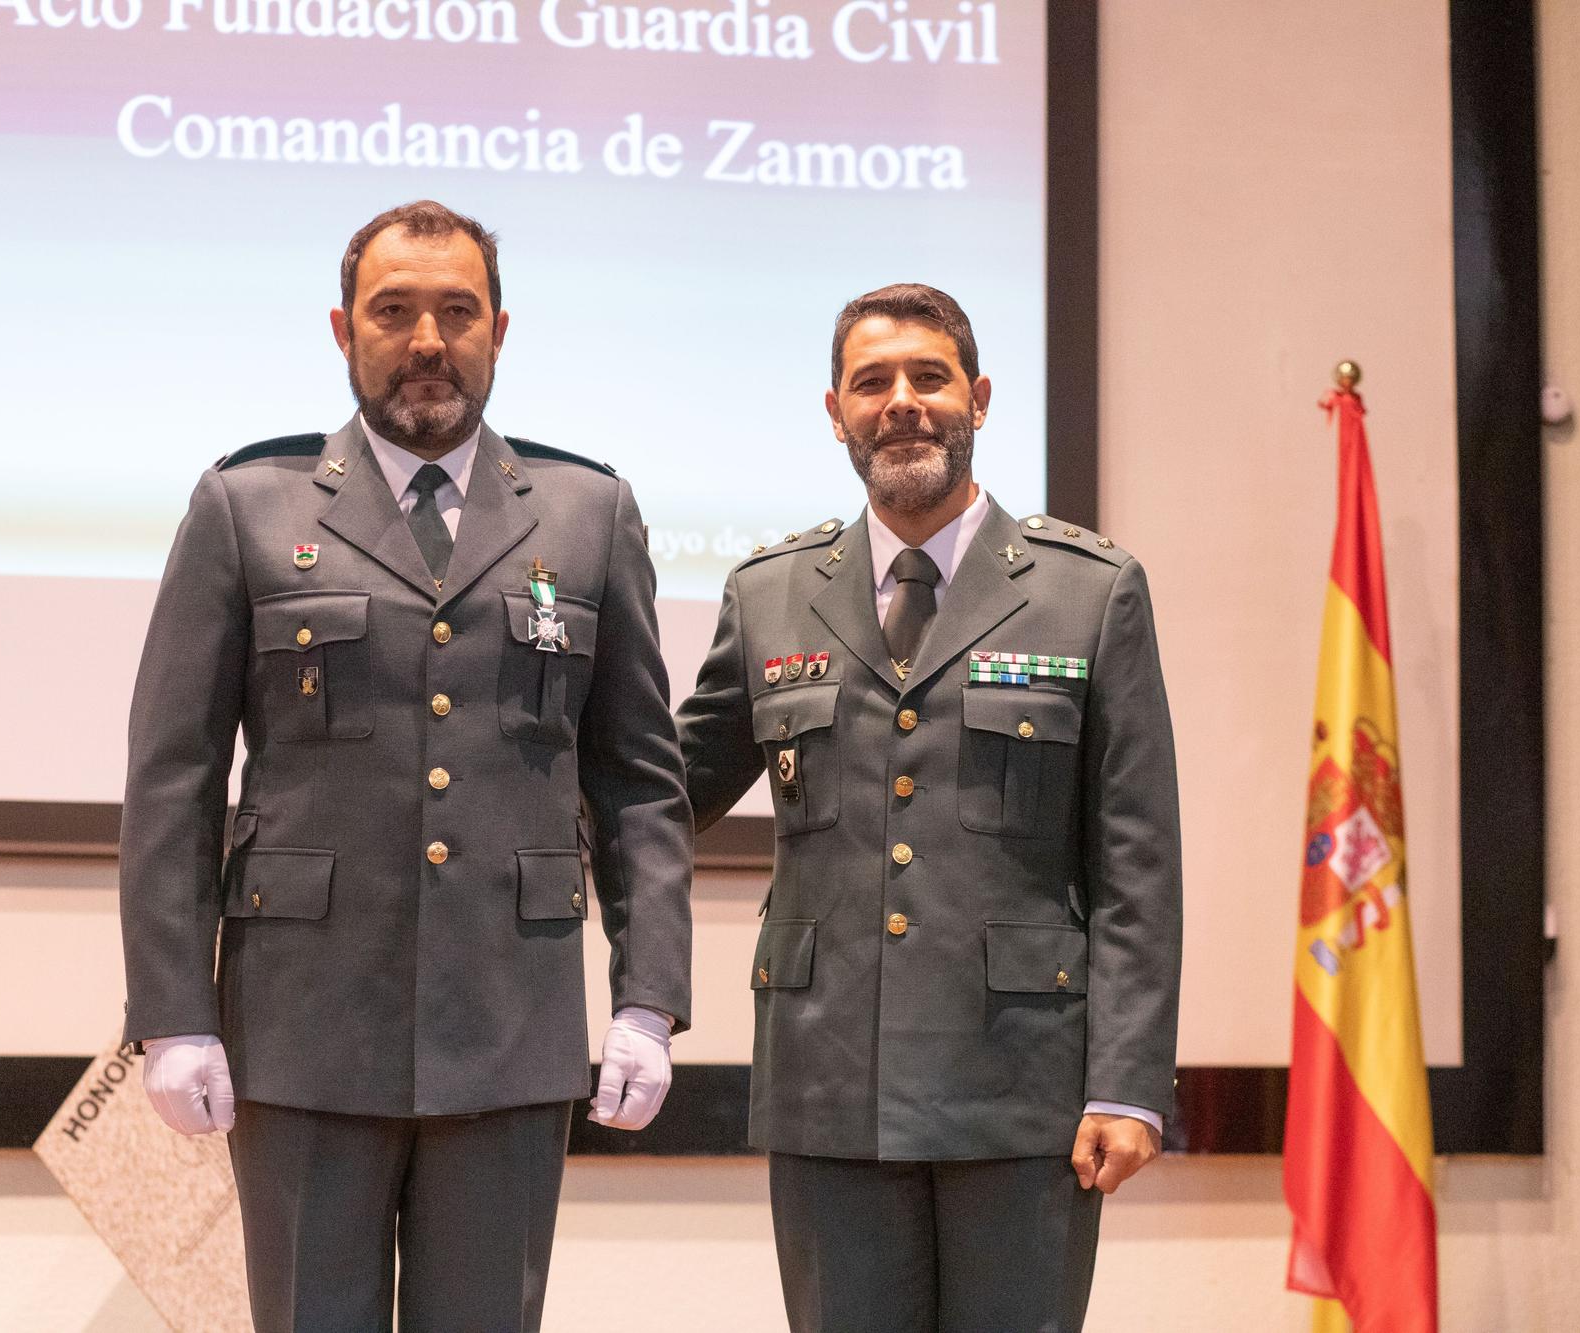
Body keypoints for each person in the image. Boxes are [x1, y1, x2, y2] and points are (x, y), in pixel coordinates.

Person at [118, 199, 694, 1333]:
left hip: (511, 1026)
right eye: (393, 311)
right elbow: (173, 776)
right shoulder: (245, 504)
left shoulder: (586, 512)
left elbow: (637, 782)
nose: (426, 339)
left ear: (499, 328)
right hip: (302, 1027)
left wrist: (647, 999)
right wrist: (174, 1012)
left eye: (456, 311)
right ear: (342, 330)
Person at [675, 283, 1182, 1331]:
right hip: (828, 1090)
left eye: (927, 377)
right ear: (834, 410)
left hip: (1022, 1093)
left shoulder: (1088, 589)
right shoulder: (767, 592)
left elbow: (1136, 862)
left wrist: (1126, 1084)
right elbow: (663, 794)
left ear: (978, 397)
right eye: (872, 382)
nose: (900, 401)